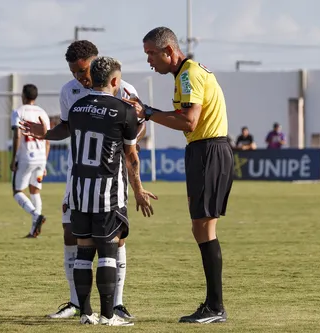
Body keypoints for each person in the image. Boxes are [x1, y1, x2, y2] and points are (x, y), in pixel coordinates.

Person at [20, 56, 157, 326]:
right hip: (109, 191)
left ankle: (86, 313)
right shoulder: (123, 108)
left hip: (80, 189)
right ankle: (108, 315)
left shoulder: (78, 106)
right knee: (108, 250)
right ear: (114, 81)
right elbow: (131, 156)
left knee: (84, 250)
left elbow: (65, 128)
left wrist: (45, 132)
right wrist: (139, 188)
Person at [124, 26, 232, 324]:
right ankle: (213, 305)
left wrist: (147, 112)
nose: (149, 61)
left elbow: (189, 122)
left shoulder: (188, 75)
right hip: (205, 150)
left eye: (151, 54)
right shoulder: (188, 73)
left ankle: (215, 307)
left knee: (205, 228)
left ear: (169, 51)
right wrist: (149, 112)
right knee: (200, 228)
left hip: (208, 151)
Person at [43, 40, 144, 320]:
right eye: (74, 72)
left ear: (96, 63)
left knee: (112, 241)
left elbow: (135, 137)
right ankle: (78, 304)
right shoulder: (70, 92)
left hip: (108, 177)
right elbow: (66, 128)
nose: (79, 77)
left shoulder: (125, 90)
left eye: (83, 70)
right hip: (79, 175)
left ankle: (117, 304)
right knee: (73, 234)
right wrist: (46, 133)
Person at [10, 84, 50, 238]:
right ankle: (34, 230)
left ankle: (35, 215)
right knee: (35, 191)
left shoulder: (19, 112)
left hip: (26, 156)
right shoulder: (42, 112)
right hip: (40, 157)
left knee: (17, 192)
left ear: (23, 96)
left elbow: (18, 135)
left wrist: (14, 158)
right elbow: (47, 139)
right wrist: (45, 162)